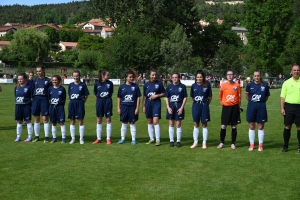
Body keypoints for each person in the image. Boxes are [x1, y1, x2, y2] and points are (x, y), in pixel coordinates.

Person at [245, 71, 270, 151]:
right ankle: (252, 144)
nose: (256, 77)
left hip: (261, 105)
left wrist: (260, 102)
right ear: (253, 76)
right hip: (252, 105)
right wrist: (252, 101)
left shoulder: (265, 85)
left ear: (260, 76)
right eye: (255, 76)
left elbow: (266, 97)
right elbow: (247, 95)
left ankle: (260, 145)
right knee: (251, 125)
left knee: (261, 126)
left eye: (258, 76)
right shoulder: (249, 85)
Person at [217, 70, 241, 149]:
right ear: (226, 76)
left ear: (233, 75)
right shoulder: (223, 85)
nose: (230, 76)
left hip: (234, 107)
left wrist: (238, 107)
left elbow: (239, 97)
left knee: (234, 126)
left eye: (231, 74)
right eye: (228, 74)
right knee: (223, 126)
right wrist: (222, 103)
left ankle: (233, 143)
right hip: (226, 108)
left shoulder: (237, 85)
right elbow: (220, 96)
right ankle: (221, 142)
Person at [117, 68, 141, 145]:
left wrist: (137, 108)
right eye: (130, 77)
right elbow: (119, 98)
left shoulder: (135, 86)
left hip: (132, 107)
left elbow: (138, 97)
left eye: (132, 77)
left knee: (132, 122)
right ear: (126, 77)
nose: (131, 78)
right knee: (124, 122)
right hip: (124, 107)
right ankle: (122, 138)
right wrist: (118, 108)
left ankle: (133, 139)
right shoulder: (122, 87)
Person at [142, 69, 165, 146]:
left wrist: (157, 95)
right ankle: (151, 139)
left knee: (155, 121)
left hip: (156, 104)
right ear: (150, 75)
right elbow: (144, 96)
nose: (154, 76)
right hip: (148, 104)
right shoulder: (146, 85)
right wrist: (143, 106)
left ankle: (158, 140)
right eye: (153, 75)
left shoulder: (159, 83)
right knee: (149, 121)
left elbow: (164, 93)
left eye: (155, 75)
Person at [190, 70, 212, 149]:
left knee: (204, 124)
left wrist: (205, 104)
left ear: (203, 77)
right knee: (196, 124)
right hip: (196, 105)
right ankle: (195, 142)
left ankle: (204, 142)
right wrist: (197, 103)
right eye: (197, 77)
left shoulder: (207, 85)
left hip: (204, 105)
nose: (199, 78)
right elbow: (192, 97)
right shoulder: (193, 86)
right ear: (195, 77)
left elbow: (210, 97)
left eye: (200, 77)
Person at [280, 64, 300, 152]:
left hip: (299, 107)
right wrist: (282, 108)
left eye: (298, 70)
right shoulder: (286, 82)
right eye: (294, 70)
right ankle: (285, 146)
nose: (296, 71)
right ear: (291, 72)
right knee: (287, 126)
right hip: (289, 107)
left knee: (299, 127)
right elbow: (282, 96)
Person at [165, 72, 187, 147]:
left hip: (179, 105)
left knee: (178, 124)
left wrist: (181, 108)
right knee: (171, 123)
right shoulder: (169, 86)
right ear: (171, 78)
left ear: (179, 78)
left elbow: (185, 97)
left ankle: (178, 141)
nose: (175, 78)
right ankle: (171, 141)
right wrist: (168, 107)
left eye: (176, 77)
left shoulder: (183, 86)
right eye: (173, 77)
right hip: (171, 106)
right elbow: (166, 97)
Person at [68, 69, 90, 144]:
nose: (76, 77)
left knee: (80, 120)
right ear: (72, 76)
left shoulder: (83, 85)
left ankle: (81, 138)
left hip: (80, 103)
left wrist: (82, 101)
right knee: (72, 120)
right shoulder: (70, 85)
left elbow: (86, 95)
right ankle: (73, 138)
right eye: (74, 76)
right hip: (72, 103)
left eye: (77, 76)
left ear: (79, 76)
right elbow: (69, 94)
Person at [93, 70, 114, 145]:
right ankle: (98, 138)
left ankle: (108, 138)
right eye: (108, 75)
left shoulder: (110, 83)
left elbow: (111, 93)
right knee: (99, 120)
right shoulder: (96, 83)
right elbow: (95, 93)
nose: (109, 76)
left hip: (107, 101)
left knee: (108, 119)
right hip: (99, 102)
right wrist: (99, 100)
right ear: (103, 75)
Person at [32, 66, 52, 142]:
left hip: (44, 100)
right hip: (36, 100)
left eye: (40, 71)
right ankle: (37, 136)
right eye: (37, 71)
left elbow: (51, 91)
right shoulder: (35, 80)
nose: (38, 73)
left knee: (45, 119)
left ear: (43, 71)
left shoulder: (48, 80)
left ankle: (46, 137)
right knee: (36, 119)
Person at [14, 73, 33, 142]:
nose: (19, 80)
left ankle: (30, 137)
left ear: (25, 79)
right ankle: (18, 136)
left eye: (21, 79)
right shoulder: (16, 88)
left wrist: (31, 106)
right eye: (18, 79)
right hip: (18, 106)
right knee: (19, 121)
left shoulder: (28, 87)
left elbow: (32, 98)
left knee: (28, 121)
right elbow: (15, 97)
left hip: (26, 106)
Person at [48, 75, 67, 143]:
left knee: (61, 122)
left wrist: (61, 106)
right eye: (53, 80)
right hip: (52, 107)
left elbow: (64, 99)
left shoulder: (62, 89)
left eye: (56, 80)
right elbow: (49, 98)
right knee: (53, 122)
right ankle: (54, 138)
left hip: (60, 107)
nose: (54, 81)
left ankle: (64, 138)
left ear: (59, 80)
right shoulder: (50, 89)